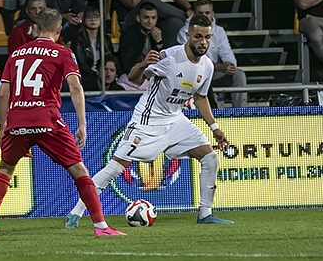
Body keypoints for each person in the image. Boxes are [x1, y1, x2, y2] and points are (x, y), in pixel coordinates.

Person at [65, 13, 232, 228]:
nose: (203, 42)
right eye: (198, 37)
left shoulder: (207, 66)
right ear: (188, 35)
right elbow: (135, 78)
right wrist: (143, 64)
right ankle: (75, 213)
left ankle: (205, 213)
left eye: (207, 37)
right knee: (115, 168)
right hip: (148, 120)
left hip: (175, 120)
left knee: (210, 158)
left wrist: (215, 128)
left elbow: (200, 98)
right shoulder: (169, 58)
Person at [0, 7, 124, 237]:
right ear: (59, 30)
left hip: (17, 119)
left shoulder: (17, 53)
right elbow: (75, 87)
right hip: (46, 119)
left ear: (36, 28)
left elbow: (2, 95)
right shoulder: (63, 53)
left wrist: (3, 128)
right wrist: (82, 123)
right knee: (79, 170)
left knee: (5, 169)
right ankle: (101, 226)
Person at [177, 0, 248, 108]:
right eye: (200, 13)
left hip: (214, 72)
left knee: (238, 75)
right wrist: (217, 67)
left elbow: (226, 51)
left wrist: (229, 65)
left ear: (212, 14)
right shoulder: (185, 32)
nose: (204, 16)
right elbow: (193, 61)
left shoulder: (219, 31)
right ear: (194, 14)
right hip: (193, 73)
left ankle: (241, 112)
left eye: (207, 13)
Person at [118, 2, 163, 74]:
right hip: (132, 75)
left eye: (153, 18)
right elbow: (128, 63)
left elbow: (163, 62)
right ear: (138, 18)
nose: (150, 21)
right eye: (146, 17)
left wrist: (159, 43)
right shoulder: (128, 34)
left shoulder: (161, 32)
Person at [71, 7, 103, 91]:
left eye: (96, 17)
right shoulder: (78, 40)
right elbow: (82, 66)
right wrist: (96, 75)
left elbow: (110, 59)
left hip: (103, 73)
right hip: (87, 76)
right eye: (89, 17)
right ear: (84, 20)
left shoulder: (105, 39)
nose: (93, 19)